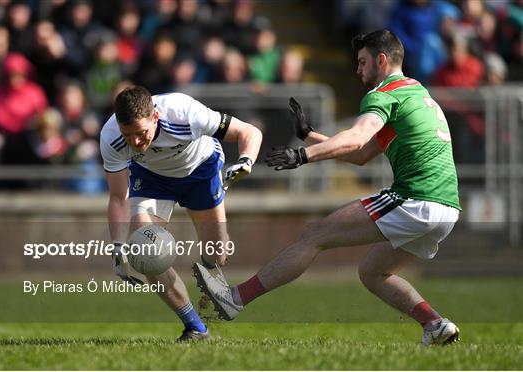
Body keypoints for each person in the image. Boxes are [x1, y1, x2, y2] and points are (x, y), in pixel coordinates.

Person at [194, 30, 462, 346]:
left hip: (417, 198)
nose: (358, 70)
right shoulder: (415, 92)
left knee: (313, 235)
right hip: (447, 209)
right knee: (374, 272)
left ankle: (234, 299)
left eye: (362, 62)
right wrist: (309, 136)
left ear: (381, 60)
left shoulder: (383, 94)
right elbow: (362, 155)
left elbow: (355, 138)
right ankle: (434, 324)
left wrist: (301, 156)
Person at [99, 85, 262, 341]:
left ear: (155, 117)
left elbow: (249, 131)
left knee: (217, 255)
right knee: (145, 252)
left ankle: (211, 280)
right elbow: (119, 197)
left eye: (141, 133)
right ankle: (196, 327)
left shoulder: (183, 112)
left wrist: (246, 160)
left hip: (200, 171)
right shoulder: (111, 136)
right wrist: (118, 247)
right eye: (128, 135)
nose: (135, 142)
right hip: (152, 179)